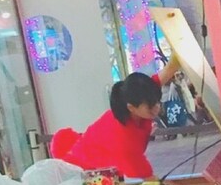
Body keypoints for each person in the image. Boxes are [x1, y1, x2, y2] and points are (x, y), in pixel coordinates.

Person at [51, 62, 179, 178]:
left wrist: (177, 59)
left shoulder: (136, 99)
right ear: (131, 107)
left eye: (157, 102)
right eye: (150, 106)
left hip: (97, 160)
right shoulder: (123, 136)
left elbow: (165, 74)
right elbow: (143, 174)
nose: (156, 108)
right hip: (83, 173)